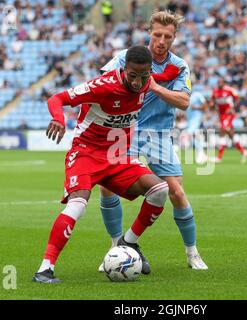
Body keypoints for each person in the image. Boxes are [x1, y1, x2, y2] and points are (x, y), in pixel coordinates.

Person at [33, 46, 170, 283]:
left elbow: (168, 75)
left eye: (144, 76)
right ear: (124, 69)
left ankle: (128, 242)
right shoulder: (103, 85)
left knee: (160, 190)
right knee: (78, 204)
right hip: (86, 153)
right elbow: (57, 98)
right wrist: (58, 118)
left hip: (117, 157)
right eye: (133, 75)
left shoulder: (148, 82)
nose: (138, 82)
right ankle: (45, 269)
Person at [98, 10, 208, 273]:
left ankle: (192, 253)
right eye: (157, 34)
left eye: (167, 36)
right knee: (106, 187)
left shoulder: (179, 66)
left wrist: (154, 86)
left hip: (159, 134)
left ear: (174, 37)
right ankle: (117, 247)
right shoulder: (127, 58)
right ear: (149, 32)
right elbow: (101, 84)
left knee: (177, 193)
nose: (161, 40)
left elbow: (184, 101)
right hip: (125, 131)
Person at [211, 78, 247, 164]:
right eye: (218, 82)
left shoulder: (229, 90)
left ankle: (219, 157)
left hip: (229, 114)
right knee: (230, 134)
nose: (219, 84)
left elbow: (238, 99)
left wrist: (233, 107)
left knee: (223, 131)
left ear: (224, 83)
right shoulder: (215, 92)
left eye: (221, 82)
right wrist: (212, 106)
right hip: (221, 115)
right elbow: (213, 103)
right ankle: (244, 151)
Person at [186, 90, 208, 164]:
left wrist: (196, 107)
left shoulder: (197, 94)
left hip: (196, 118)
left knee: (190, 133)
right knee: (194, 136)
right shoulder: (186, 96)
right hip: (190, 120)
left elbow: (205, 105)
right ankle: (202, 154)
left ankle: (201, 153)